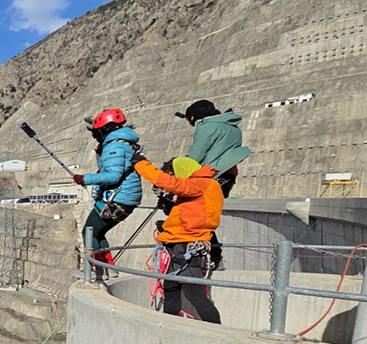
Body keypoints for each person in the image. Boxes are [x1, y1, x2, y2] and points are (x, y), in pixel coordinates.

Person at [131, 154, 224, 324]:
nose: (172, 178)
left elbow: (171, 184)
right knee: (171, 289)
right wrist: (170, 206)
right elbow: (191, 213)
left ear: (181, 171)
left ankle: (218, 331)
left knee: (193, 293)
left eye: (172, 174)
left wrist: (142, 165)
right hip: (179, 245)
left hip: (187, 247)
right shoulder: (203, 186)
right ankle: (169, 326)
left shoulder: (201, 183)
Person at [71, 108, 142, 278]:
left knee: (89, 230)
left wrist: (85, 179)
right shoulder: (124, 142)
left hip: (118, 198)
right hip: (124, 198)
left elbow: (113, 176)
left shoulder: (115, 145)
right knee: (98, 232)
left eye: (96, 133)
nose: (96, 137)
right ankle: (109, 268)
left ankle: (97, 271)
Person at [175, 99, 252, 198]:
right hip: (229, 174)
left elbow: (195, 156)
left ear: (192, 117)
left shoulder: (206, 127)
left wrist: (175, 170)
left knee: (198, 207)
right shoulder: (231, 126)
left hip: (213, 174)